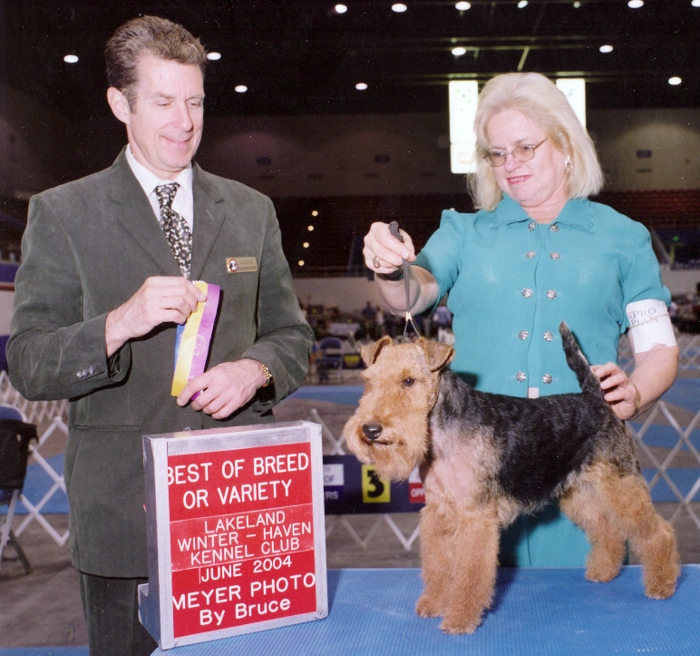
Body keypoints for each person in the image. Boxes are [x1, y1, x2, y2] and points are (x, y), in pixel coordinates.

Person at [7, 16, 313, 656]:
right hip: (123, 516)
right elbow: (29, 362)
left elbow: (291, 336)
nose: (184, 121)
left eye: (195, 101)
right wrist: (119, 323)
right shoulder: (63, 213)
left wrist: (253, 370)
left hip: (236, 508)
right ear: (120, 103)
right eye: (164, 102)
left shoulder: (251, 210)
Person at [363, 72, 679, 568]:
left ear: (567, 143)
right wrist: (388, 264)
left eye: (525, 147)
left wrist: (637, 391)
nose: (510, 164)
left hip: (579, 468)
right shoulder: (463, 230)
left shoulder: (626, 237)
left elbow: (659, 348)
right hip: (474, 478)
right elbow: (413, 291)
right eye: (497, 152)